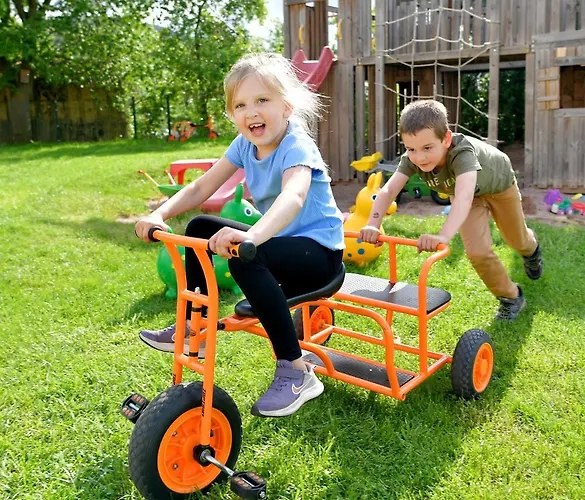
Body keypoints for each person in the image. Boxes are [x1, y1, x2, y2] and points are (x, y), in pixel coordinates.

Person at [134, 53, 345, 417]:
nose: (251, 112)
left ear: (287, 106)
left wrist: (253, 237)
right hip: (278, 243)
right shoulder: (245, 145)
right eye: (241, 105)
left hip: (319, 255)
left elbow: (293, 197)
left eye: (262, 100)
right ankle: (194, 326)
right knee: (200, 226)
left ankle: (297, 371)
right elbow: (201, 187)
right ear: (232, 114)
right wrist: (159, 213)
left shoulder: (297, 146)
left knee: (246, 258)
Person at [360, 100, 542, 321]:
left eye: (427, 148)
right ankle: (511, 297)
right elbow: (389, 190)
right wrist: (373, 223)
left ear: (446, 139)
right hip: (468, 195)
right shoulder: (412, 159)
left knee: (516, 239)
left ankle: (531, 251)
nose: (419, 157)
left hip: (499, 185)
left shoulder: (462, 153)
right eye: (411, 149)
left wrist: (443, 235)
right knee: (477, 252)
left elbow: (463, 198)